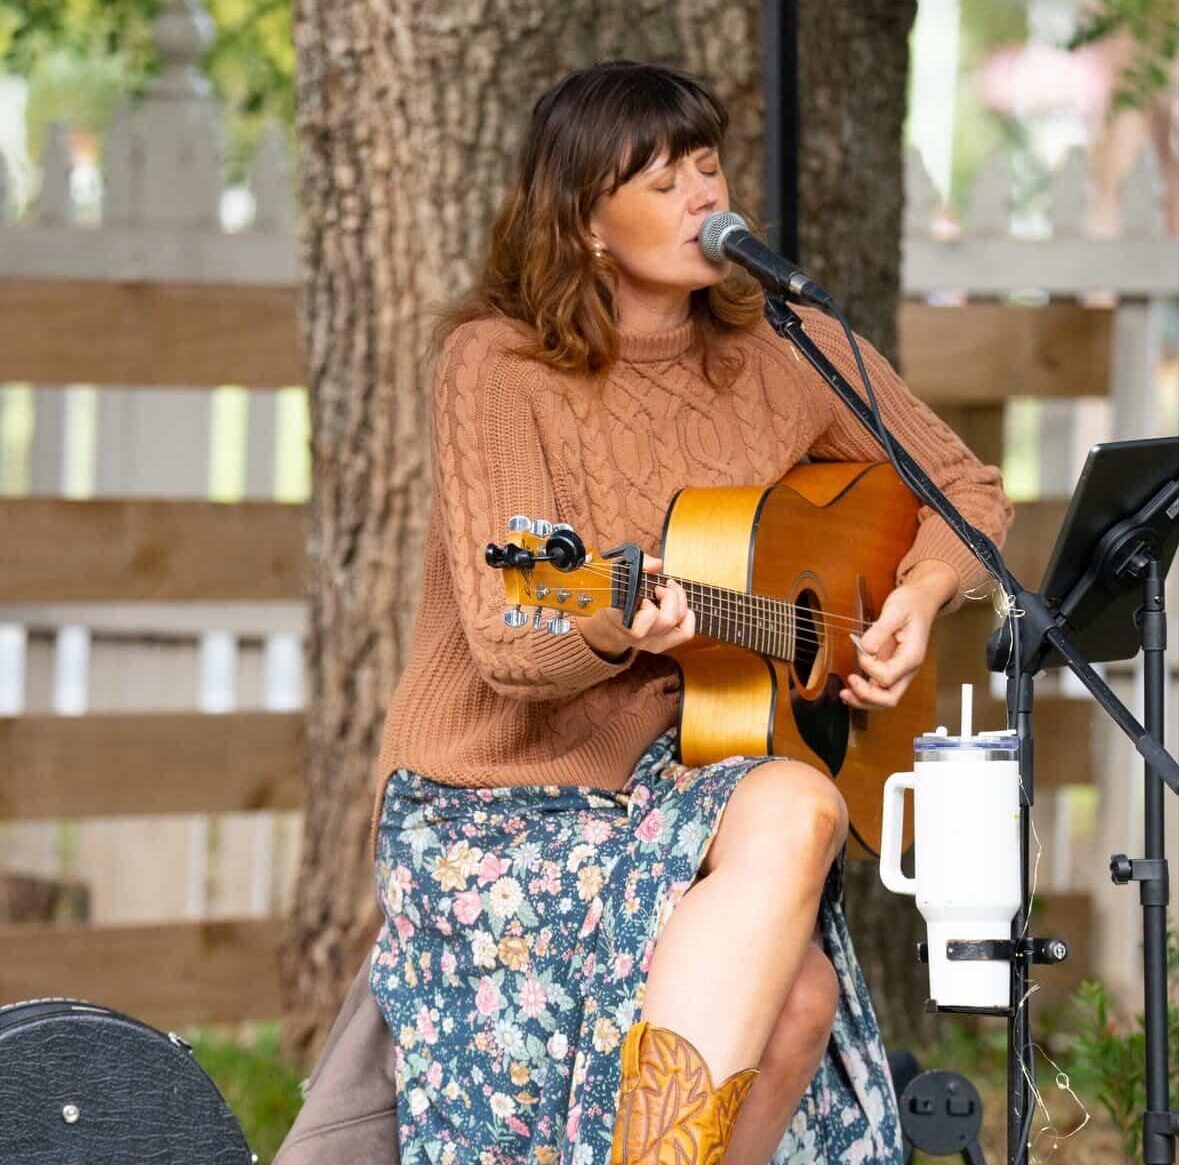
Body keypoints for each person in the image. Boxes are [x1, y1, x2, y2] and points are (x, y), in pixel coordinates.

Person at [365, 59, 1013, 1165]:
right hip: (503, 802)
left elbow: (966, 491)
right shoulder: (499, 364)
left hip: (682, 787)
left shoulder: (789, 348)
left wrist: (915, 595)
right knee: (795, 967)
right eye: (662, 181)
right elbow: (510, 638)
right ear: (585, 223)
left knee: (801, 918)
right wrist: (620, 619)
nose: (703, 195)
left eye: (706, 166)